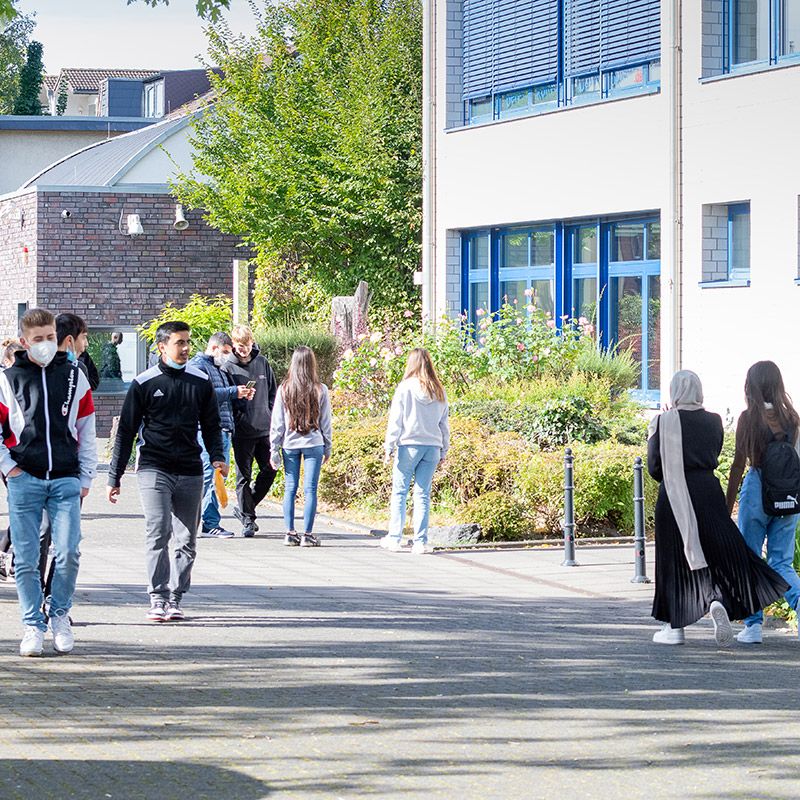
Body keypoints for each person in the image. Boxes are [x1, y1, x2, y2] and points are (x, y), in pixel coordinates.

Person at [647, 370, 788, 646]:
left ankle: (674, 628)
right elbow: (715, 453)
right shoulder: (714, 421)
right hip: (708, 492)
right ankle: (716, 599)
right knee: (715, 553)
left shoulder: (663, 421)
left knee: (673, 558)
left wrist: (659, 429)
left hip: (674, 495)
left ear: (674, 391)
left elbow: (654, 467)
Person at [107, 320, 226, 622]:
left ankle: (175, 597)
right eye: (179, 342)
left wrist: (217, 456)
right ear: (162, 347)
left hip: (190, 468)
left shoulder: (200, 381)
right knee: (158, 531)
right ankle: (158, 597)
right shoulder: (144, 383)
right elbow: (126, 431)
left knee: (187, 540)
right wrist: (114, 476)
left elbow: (212, 425)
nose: (186, 348)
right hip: (154, 467)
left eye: (188, 342)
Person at [0, 308, 97, 657]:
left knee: (69, 552)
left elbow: (86, 428)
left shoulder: (74, 376)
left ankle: (59, 614)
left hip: (66, 478)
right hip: (24, 477)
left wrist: (86, 474)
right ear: (24, 342)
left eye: (51, 337)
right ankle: (32, 624)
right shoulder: (8, 379)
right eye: (38, 339)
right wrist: (9, 468)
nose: (45, 344)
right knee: (26, 558)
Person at [726, 361, 800, 644]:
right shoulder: (792, 419)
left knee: (750, 559)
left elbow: (737, 465)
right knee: (782, 562)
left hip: (757, 489)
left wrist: (727, 506)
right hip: (788, 494)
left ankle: (753, 625)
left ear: (751, 386)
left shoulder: (748, 418)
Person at [381, 348, 450, 555]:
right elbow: (444, 424)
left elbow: (396, 419)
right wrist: (444, 449)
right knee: (422, 494)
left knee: (400, 492)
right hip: (432, 446)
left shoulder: (405, 388)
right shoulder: (439, 390)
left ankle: (395, 538)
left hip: (409, 445)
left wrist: (389, 446)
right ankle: (420, 542)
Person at [189, 332, 254, 538]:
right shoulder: (198, 366)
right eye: (225, 352)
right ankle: (202, 523)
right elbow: (203, 396)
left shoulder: (219, 369)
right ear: (214, 348)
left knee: (216, 478)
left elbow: (225, 399)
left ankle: (207, 523)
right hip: (207, 430)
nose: (228, 356)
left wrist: (241, 396)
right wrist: (233, 392)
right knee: (209, 476)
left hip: (223, 428)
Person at [269, 346, 332, 547]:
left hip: (290, 443)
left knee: (290, 487)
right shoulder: (320, 389)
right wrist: (328, 446)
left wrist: (274, 448)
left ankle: (289, 533)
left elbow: (277, 422)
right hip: (314, 443)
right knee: (310, 488)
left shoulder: (284, 389)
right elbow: (326, 422)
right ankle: (307, 534)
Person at [222, 325, 278, 537]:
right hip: (242, 431)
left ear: (252, 342)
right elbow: (227, 398)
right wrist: (238, 414)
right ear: (234, 345)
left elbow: (273, 391)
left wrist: (270, 413)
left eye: (246, 345)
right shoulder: (228, 367)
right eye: (239, 346)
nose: (243, 349)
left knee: (270, 469)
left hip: (264, 428)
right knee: (243, 476)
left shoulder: (262, 363)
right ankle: (248, 520)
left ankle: (247, 507)